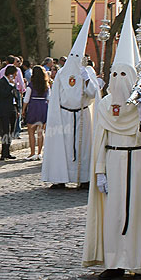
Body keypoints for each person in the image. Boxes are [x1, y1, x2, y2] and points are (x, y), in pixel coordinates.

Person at [83, 3, 141, 280]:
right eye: (115, 74)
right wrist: (99, 171)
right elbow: (101, 138)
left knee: (138, 213)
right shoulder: (106, 103)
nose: (119, 79)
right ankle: (114, 262)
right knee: (113, 215)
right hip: (113, 161)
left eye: (125, 74)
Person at [40, 10, 99, 189]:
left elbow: (94, 93)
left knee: (83, 149)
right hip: (64, 115)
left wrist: (87, 78)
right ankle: (60, 178)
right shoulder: (62, 74)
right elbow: (56, 94)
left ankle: (84, 178)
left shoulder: (88, 72)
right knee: (63, 148)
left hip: (82, 116)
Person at [22, 65, 50, 161]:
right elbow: (49, 98)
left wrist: (23, 110)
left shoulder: (31, 84)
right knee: (40, 131)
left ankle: (32, 152)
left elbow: (26, 99)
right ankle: (39, 153)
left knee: (31, 131)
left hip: (34, 106)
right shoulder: (46, 85)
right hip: (43, 106)